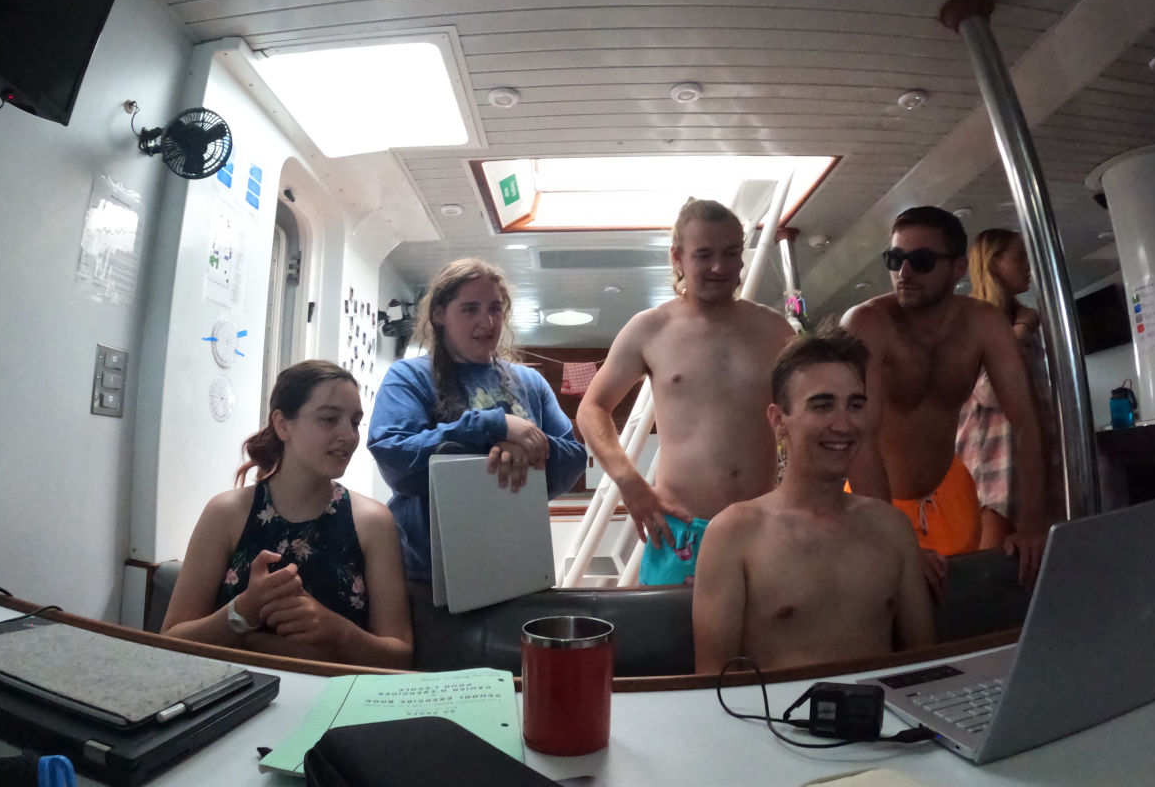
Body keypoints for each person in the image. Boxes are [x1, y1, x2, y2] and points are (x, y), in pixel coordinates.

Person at [692, 323, 936, 673]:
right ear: (779, 420)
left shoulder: (892, 527)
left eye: (855, 405)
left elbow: (925, 664)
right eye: (822, 406)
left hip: (882, 709)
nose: (843, 425)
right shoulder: (733, 534)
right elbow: (714, 682)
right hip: (776, 710)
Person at [576, 198, 795, 585]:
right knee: (675, 627)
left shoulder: (775, 330)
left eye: (731, 252)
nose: (720, 267)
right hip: (680, 529)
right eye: (704, 254)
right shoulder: (650, 329)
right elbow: (592, 408)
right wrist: (629, 481)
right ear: (678, 257)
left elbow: (807, 412)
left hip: (761, 528)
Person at [841, 207, 1046, 593]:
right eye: (895, 259)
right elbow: (858, 435)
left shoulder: (983, 324)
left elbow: (1026, 422)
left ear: (958, 268)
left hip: (952, 496)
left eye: (921, 261)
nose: (904, 272)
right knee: (892, 613)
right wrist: (893, 538)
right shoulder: (868, 324)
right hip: (877, 502)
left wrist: (1032, 523)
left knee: (964, 609)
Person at [161, 360, 413, 668]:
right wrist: (242, 612)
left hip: (332, 696)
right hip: (234, 691)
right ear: (282, 425)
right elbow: (171, 640)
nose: (348, 436)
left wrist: (338, 631)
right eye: (329, 419)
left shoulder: (373, 523)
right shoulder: (226, 513)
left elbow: (399, 656)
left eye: (355, 422)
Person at [367, 258, 588, 584]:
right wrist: (493, 427)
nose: (487, 321)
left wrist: (522, 450)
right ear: (439, 314)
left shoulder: (531, 382)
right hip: (429, 575)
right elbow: (393, 453)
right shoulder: (409, 376)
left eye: (495, 309)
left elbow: (574, 458)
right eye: (470, 309)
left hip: (517, 561)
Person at [957, 229, 1061, 548]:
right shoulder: (969, 321)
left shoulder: (1021, 319)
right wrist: (1019, 332)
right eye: (1019, 258)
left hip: (1030, 457)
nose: (1028, 266)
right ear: (993, 263)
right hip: (990, 458)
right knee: (992, 561)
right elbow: (988, 391)